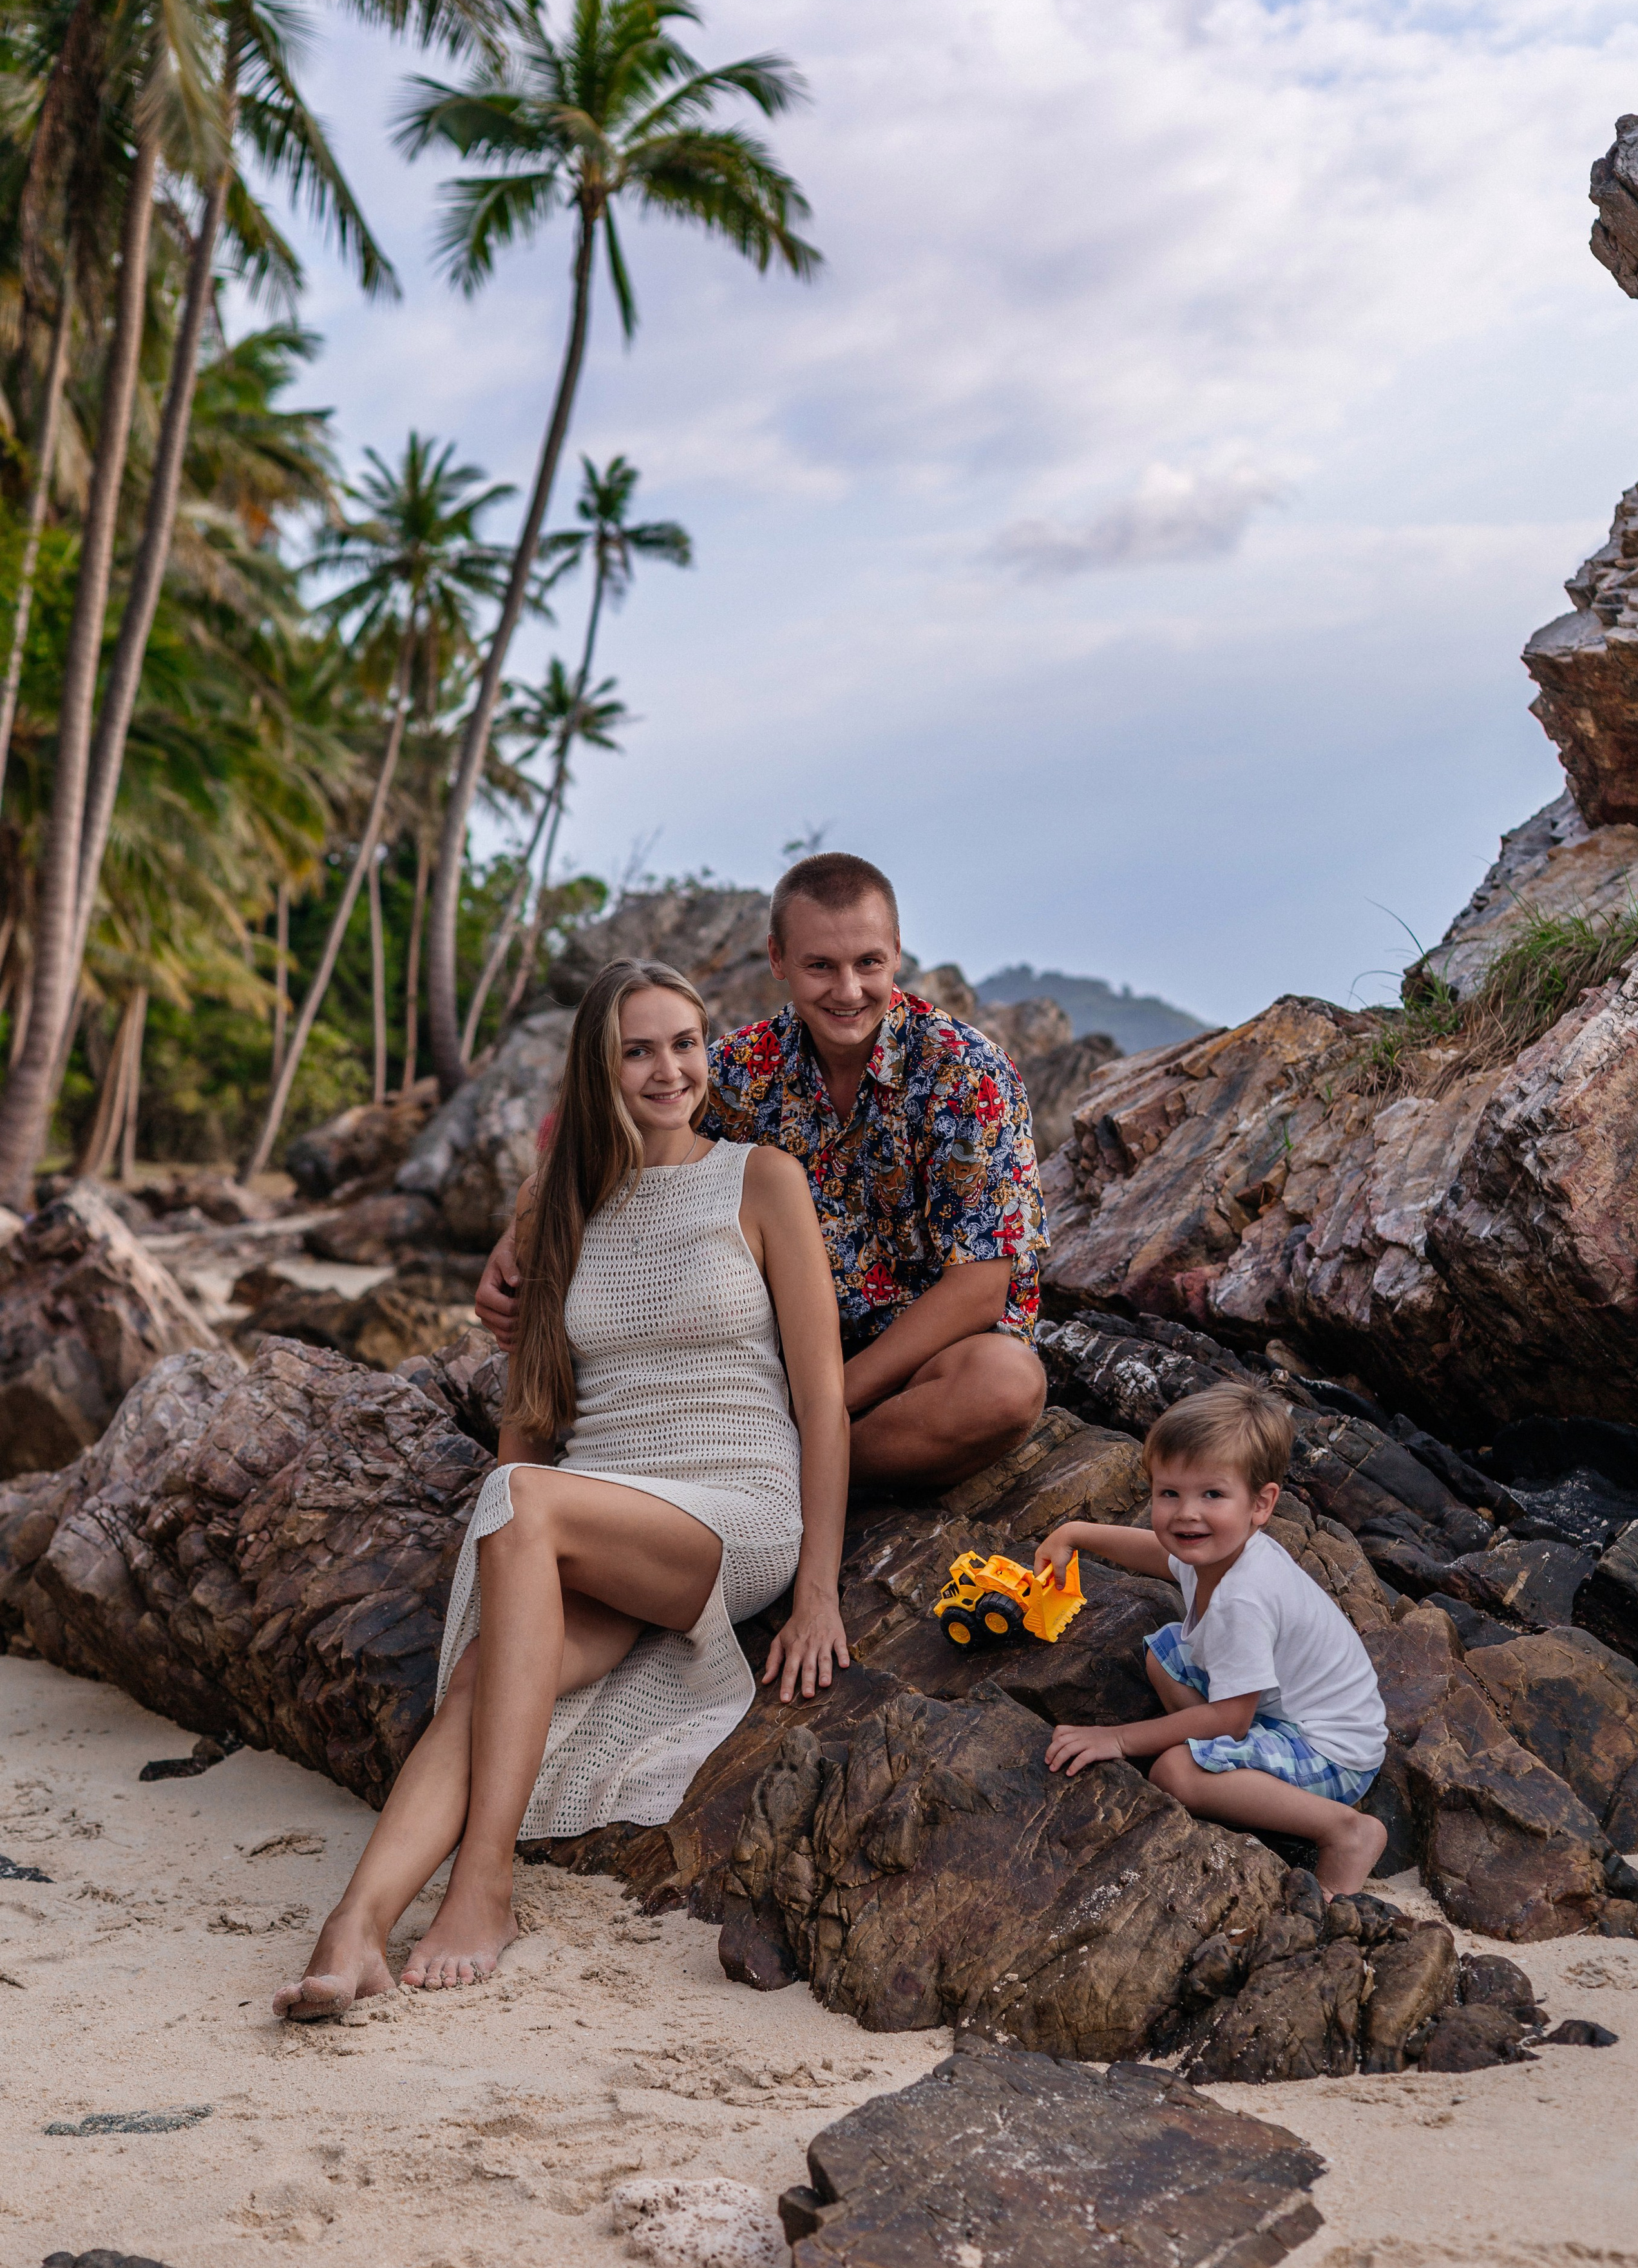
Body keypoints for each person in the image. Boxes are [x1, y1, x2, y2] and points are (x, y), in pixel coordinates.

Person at [274, 959, 849, 2018]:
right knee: (490, 1672)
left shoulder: (762, 1179)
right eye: (639, 1048)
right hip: (589, 1518)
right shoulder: (561, 1205)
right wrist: (490, 1590)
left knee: (529, 1500)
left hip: (732, 1510)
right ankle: (353, 1926)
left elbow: (823, 1399)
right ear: (601, 1067)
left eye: (684, 1042)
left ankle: (482, 1883)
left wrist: (818, 1588)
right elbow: (530, 1419)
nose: (669, 1067)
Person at [475, 852, 1047, 1492]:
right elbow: (609, 1130)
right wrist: (517, 1234)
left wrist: (818, 1409)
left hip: (909, 1372)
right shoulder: (741, 1070)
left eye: (868, 963)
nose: (848, 990)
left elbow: (978, 1288)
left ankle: (792, 1477)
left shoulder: (964, 1072)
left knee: (1007, 1384)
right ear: (777, 959)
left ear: (896, 953)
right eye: (819, 966)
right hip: (775, 1360)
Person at [1034, 1384, 1389, 1895]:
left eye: (1212, 1494)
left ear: (1261, 1504)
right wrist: (1076, 1532)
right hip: (1283, 1711)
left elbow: (1230, 1717)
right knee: (1166, 1655)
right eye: (1169, 1493)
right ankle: (1233, 1770)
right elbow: (1164, 1559)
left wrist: (1117, 1738)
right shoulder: (1223, 1550)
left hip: (1331, 1751)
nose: (1186, 1513)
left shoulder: (1241, 1599)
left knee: (1175, 1772)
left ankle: (1346, 1831)